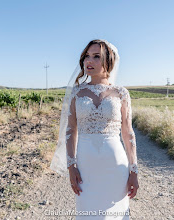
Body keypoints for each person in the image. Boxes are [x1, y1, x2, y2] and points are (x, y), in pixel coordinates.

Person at [50, 39, 139, 219]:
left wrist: (134, 171)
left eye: (96, 56)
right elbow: (71, 130)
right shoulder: (77, 92)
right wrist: (71, 166)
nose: (89, 61)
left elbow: (128, 133)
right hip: (86, 164)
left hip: (115, 164)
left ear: (109, 61)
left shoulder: (121, 93)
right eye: (86, 56)